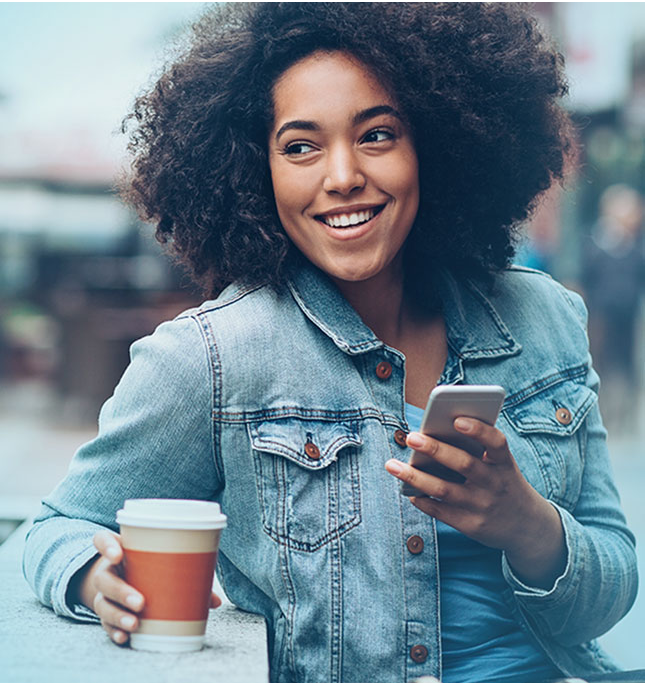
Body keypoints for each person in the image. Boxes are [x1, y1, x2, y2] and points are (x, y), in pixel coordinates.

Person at [23, 3, 639, 683]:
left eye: (376, 135)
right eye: (299, 145)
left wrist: (525, 522)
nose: (341, 175)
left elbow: (608, 592)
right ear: (256, 169)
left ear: (433, 146)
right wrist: (90, 578)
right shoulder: (213, 358)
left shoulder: (543, 318)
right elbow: (55, 526)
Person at [581, 184, 645, 435]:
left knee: (627, 365)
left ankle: (624, 415)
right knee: (601, 364)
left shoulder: (635, 249)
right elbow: (585, 280)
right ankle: (603, 413)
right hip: (601, 317)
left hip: (628, 317)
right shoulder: (595, 244)